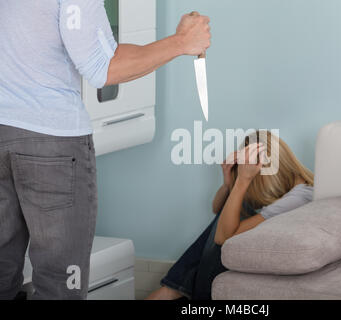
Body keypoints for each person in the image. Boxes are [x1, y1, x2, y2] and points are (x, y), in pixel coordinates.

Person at [0, 0, 210, 300]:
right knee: (60, 286)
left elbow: (97, 52)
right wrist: (181, 42)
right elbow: (102, 67)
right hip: (52, 143)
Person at [146, 131, 314, 300]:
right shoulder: (295, 188)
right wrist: (228, 184)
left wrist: (243, 180)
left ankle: (175, 289)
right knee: (235, 210)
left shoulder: (298, 198)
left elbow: (221, 238)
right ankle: (176, 288)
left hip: (259, 258)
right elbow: (217, 208)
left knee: (230, 219)